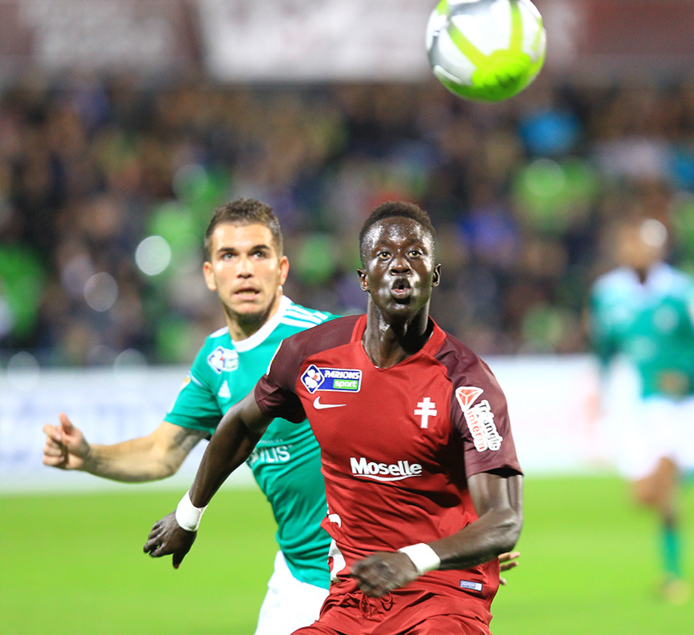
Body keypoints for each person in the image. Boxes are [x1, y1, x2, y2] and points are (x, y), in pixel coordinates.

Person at [144, 200, 524, 634]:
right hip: (353, 598)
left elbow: (505, 520)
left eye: (415, 254)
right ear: (364, 279)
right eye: (384, 255)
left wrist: (420, 556)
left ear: (434, 275)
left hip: (443, 598)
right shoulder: (312, 356)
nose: (400, 265)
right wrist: (188, 515)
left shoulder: (467, 384)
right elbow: (241, 424)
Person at [42, 198, 337, 635]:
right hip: (296, 577)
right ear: (209, 274)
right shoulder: (215, 359)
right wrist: (88, 456)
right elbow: (162, 453)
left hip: (360, 574)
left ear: (282, 269)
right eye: (228, 256)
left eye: (258, 254)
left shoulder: (323, 342)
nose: (244, 269)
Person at [587, 215, 694, 604]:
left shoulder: (685, 292)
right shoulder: (607, 292)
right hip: (634, 403)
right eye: (629, 243)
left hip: (678, 404)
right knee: (642, 495)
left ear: (659, 249)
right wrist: (602, 390)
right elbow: (603, 348)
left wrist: (686, 373)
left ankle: (673, 577)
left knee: (666, 486)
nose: (634, 250)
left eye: (643, 244)